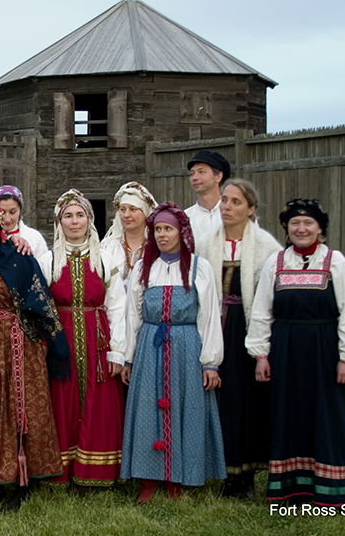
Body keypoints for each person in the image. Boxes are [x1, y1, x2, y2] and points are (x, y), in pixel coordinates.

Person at [246, 198, 345, 506]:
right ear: (287, 228)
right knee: (287, 413)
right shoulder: (276, 262)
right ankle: (289, 488)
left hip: (324, 350)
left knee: (326, 415)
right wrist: (261, 354)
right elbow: (262, 310)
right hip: (285, 349)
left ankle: (330, 489)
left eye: (308, 223)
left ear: (320, 228)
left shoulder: (335, 262)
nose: (301, 228)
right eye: (295, 224)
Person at [0, 201, 69, 511]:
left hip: (19, 342)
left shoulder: (19, 259)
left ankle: (23, 480)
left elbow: (41, 300)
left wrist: (52, 341)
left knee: (21, 408)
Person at [121, 202, 226, 503]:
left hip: (185, 347)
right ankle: (148, 479)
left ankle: (177, 478)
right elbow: (133, 315)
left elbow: (208, 317)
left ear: (182, 232)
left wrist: (211, 363)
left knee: (185, 410)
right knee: (147, 413)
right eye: (158, 230)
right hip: (150, 347)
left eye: (168, 229)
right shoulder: (144, 267)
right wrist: (128, 356)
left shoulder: (198, 267)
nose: (163, 235)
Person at [195, 179, 281, 499]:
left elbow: (270, 299)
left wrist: (263, 345)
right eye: (225, 201)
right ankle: (224, 471)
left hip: (249, 331)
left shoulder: (267, 248)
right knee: (222, 401)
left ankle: (247, 474)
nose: (227, 207)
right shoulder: (205, 245)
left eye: (236, 202)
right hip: (216, 329)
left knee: (249, 403)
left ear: (251, 209)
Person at [37, 189, 127, 490]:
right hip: (61, 343)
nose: (74, 222)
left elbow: (117, 305)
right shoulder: (48, 260)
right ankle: (60, 471)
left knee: (97, 404)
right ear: (58, 222)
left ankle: (94, 472)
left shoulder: (106, 258)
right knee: (62, 401)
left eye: (80, 215)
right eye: (68, 216)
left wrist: (117, 351)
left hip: (97, 341)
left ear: (89, 220)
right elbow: (39, 306)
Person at [100, 182, 158, 290]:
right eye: (122, 209)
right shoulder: (107, 247)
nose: (126, 215)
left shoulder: (157, 247)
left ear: (145, 212)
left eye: (133, 209)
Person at [0, 185, 49, 260]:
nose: (7, 219)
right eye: (2, 212)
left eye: (13, 212)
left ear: (20, 211)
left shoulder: (35, 238)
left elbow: (43, 268)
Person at [184, 150, 230, 243]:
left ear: (218, 177)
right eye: (192, 173)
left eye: (201, 172)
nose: (195, 178)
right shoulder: (185, 218)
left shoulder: (235, 214)